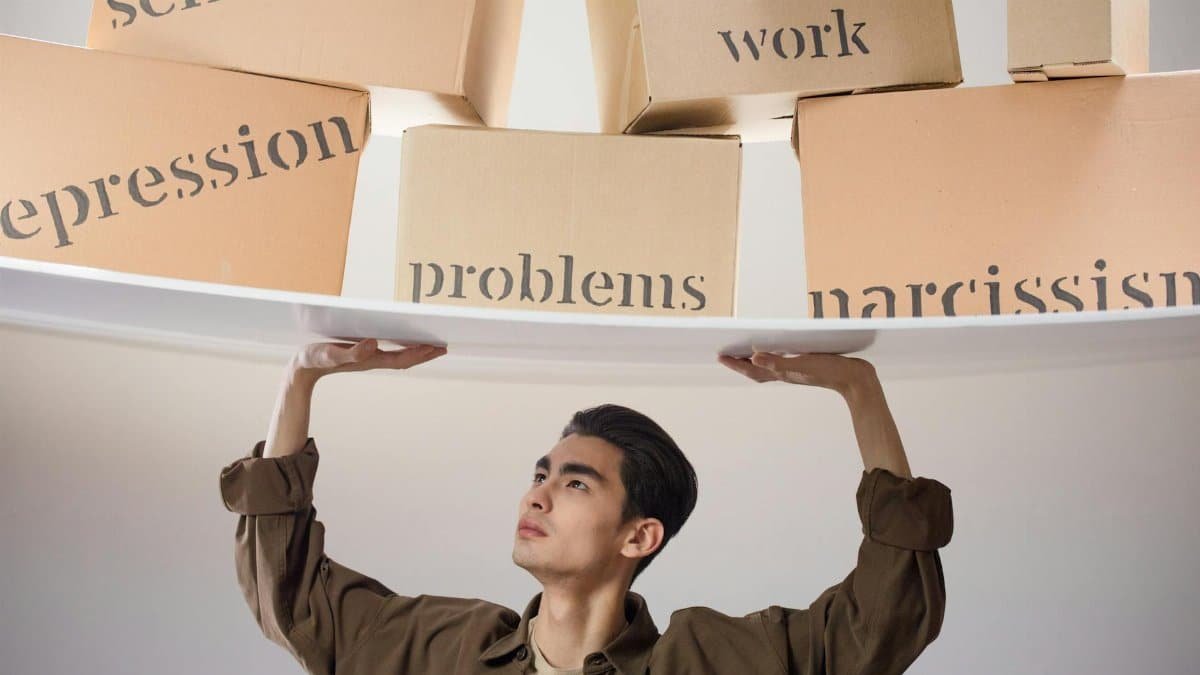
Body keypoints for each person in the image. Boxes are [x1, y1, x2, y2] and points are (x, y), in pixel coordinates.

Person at [219, 338, 953, 674]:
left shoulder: (712, 659)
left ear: (640, 535)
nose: (536, 493)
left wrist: (859, 389)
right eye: (542, 473)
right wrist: (300, 378)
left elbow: (882, 622)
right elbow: (291, 596)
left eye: (575, 483)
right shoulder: (444, 647)